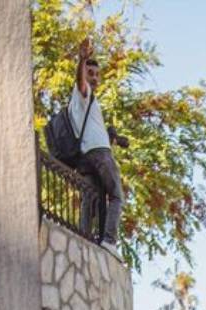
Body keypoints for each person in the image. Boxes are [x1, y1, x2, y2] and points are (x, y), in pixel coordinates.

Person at [72, 38, 125, 254]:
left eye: (96, 74)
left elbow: (92, 130)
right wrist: (82, 60)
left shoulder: (87, 102)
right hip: (99, 154)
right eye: (89, 73)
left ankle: (83, 236)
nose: (94, 78)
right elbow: (80, 83)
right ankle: (109, 241)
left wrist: (115, 138)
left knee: (90, 198)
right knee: (116, 195)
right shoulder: (82, 93)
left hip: (86, 157)